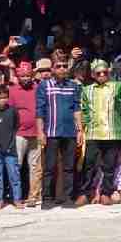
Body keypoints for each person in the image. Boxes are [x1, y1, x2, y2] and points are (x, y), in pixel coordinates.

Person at [77, 59, 121, 206]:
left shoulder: (117, 86)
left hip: (113, 133)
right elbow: (83, 110)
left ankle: (106, 194)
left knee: (109, 166)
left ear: (109, 73)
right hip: (93, 133)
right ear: (93, 74)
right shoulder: (86, 90)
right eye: (98, 73)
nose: (102, 74)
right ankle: (86, 194)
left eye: (105, 72)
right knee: (89, 165)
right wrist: (82, 128)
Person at [35, 58, 83, 209]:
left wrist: (80, 130)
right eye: (58, 66)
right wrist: (40, 132)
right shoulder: (44, 85)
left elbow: (77, 109)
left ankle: (68, 198)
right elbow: (40, 110)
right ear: (53, 69)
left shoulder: (73, 86)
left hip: (69, 132)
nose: (62, 69)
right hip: (51, 131)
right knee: (49, 167)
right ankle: (47, 198)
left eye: (64, 66)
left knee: (69, 167)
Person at [8, 62, 41, 207]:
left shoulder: (39, 88)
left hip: (37, 132)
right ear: (18, 77)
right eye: (23, 76)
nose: (26, 78)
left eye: (28, 75)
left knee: (35, 166)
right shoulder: (13, 90)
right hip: (20, 133)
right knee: (17, 165)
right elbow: (10, 112)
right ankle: (16, 196)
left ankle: (34, 196)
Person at [0, 87, 22, 209]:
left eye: (5, 97)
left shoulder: (12, 111)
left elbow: (16, 126)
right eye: (0, 98)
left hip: (10, 149)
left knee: (14, 175)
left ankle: (17, 199)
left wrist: (11, 142)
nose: (3, 100)